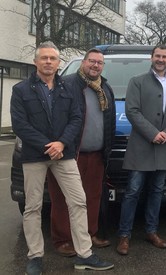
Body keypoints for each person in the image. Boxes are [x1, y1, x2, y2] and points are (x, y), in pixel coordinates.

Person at [10, 41, 114, 274]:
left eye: (53, 59)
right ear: (36, 61)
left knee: (78, 201)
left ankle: (84, 254)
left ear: (59, 64)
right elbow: (20, 125)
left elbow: (76, 119)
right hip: (35, 156)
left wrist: (62, 142)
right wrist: (48, 145)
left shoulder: (68, 88)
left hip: (64, 154)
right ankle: (35, 256)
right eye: (44, 58)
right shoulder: (21, 90)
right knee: (33, 207)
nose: (48, 62)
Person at [116, 45, 166, 255]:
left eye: (164, 56)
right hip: (142, 145)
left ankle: (151, 231)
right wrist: (153, 133)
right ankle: (124, 235)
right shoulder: (137, 81)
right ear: (151, 58)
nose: (160, 59)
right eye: (157, 56)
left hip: (165, 145)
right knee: (132, 191)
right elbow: (132, 110)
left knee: (157, 191)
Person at [47, 48, 115, 257]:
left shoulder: (105, 88)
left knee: (92, 197)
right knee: (62, 198)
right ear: (83, 63)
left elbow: (109, 121)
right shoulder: (65, 84)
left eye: (99, 63)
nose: (96, 66)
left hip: (96, 155)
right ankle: (63, 239)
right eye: (92, 61)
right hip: (69, 154)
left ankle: (88, 234)